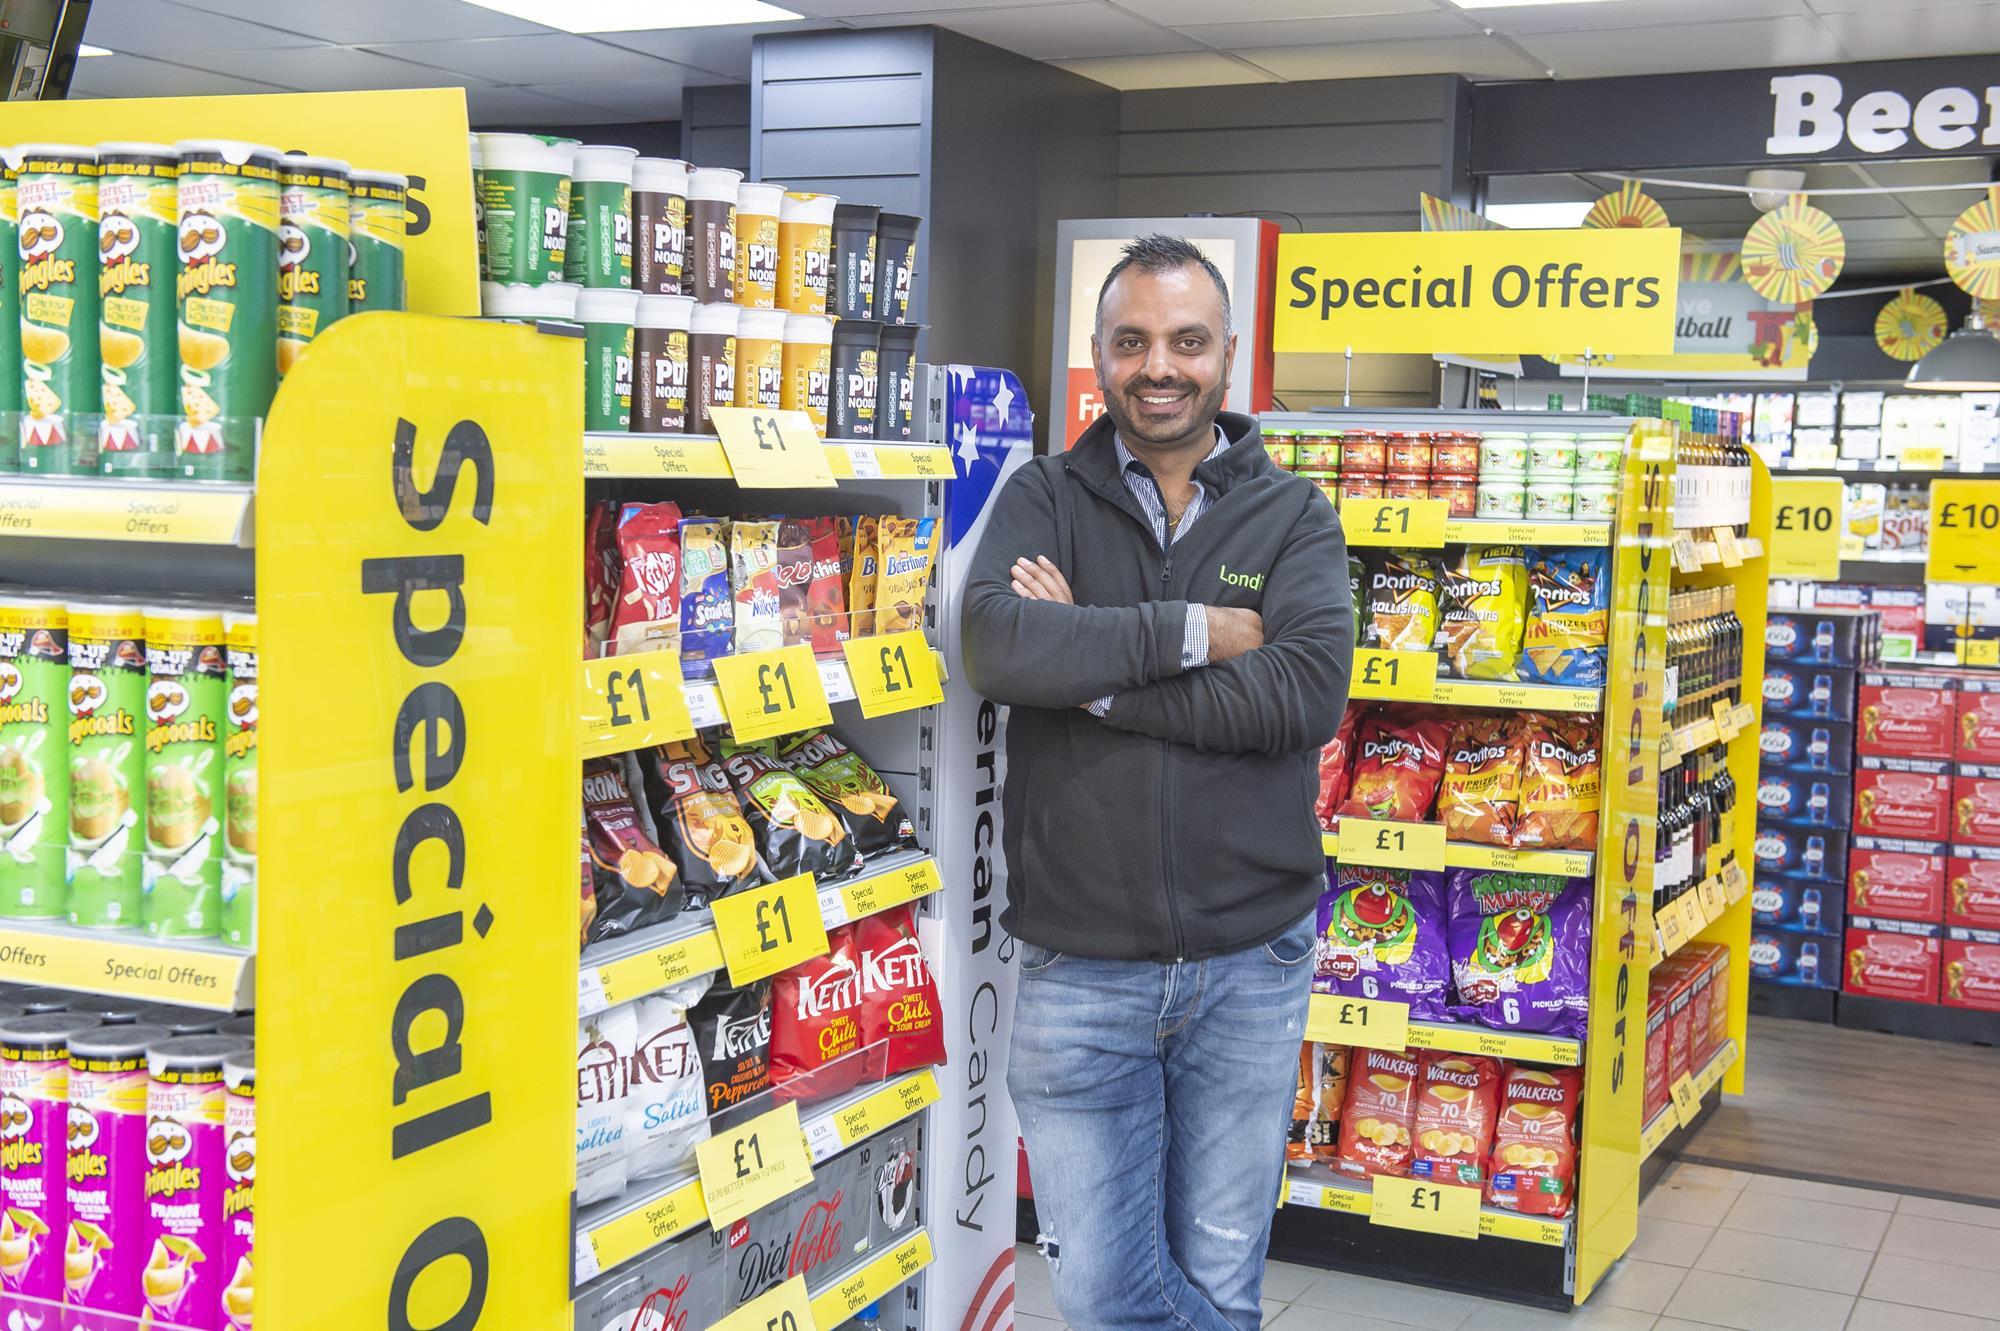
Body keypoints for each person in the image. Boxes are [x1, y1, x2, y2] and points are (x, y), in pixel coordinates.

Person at [961, 234, 1352, 1330]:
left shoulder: (1293, 517)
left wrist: (1095, 675)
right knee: (1097, 1289)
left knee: (1223, 1276)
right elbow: (996, 645)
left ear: (1228, 354)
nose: (1158, 365)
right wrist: (1191, 632)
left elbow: (1298, 697)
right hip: (1080, 965)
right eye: (1130, 341)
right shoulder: (1042, 494)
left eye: (1186, 340)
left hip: (1251, 958)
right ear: (1098, 354)